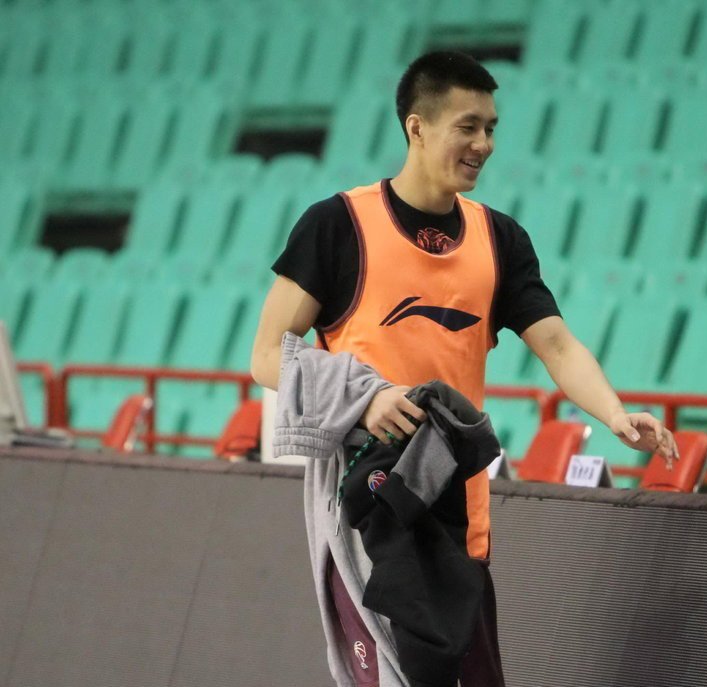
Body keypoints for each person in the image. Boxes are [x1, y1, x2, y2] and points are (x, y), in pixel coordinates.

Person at [251, 50, 679, 687]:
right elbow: (267, 356)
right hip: (370, 516)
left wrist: (615, 414)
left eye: (491, 128)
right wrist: (364, 399)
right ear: (417, 128)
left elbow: (558, 346)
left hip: (460, 516)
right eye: (468, 126)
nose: (484, 144)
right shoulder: (337, 225)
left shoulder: (499, 239)